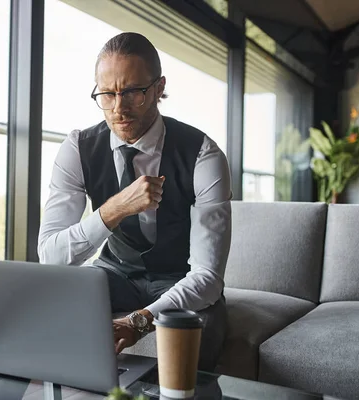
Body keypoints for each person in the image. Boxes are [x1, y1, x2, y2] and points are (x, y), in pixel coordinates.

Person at [37, 32, 231, 372]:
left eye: (132, 92)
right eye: (107, 94)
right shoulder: (77, 148)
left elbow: (207, 276)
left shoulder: (203, 154)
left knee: (200, 336)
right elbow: (51, 258)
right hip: (114, 273)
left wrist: (140, 321)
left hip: (179, 276)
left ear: (158, 88)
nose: (118, 108)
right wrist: (115, 209)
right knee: (44, 308)